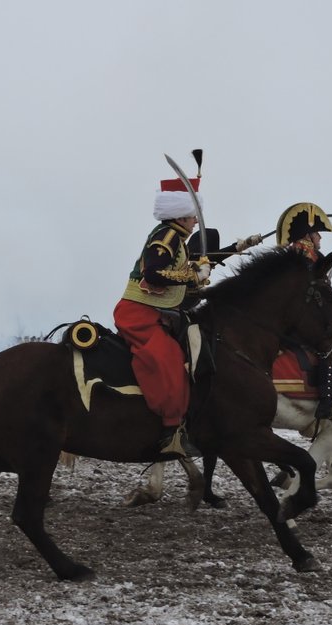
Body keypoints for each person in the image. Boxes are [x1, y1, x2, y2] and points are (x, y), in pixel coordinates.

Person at [114, 172, 215, 459]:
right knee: (168, 358)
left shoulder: (177, 237)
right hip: (138, 313)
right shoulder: (168, 236)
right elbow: (152, 273)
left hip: (154, 312)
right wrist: (190, 275)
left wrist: (194, 274)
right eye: (193, 215)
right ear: (181, 214)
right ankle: (171, 431)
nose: (196, 220)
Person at [275, 202, 332, 422]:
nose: (320, 238)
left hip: (290, 313)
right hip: (295, 317)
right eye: (318, 233)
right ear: (308, 234)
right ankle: (327, 404)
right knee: (327, 348)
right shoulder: (306, 253)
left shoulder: (296, 251)